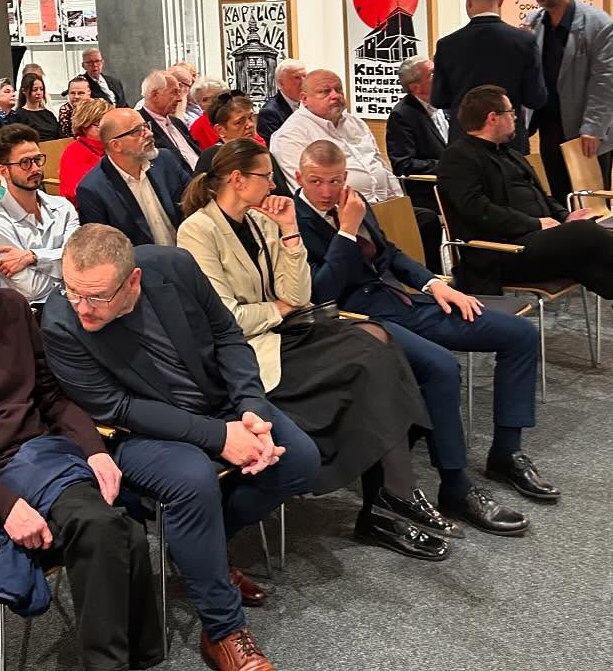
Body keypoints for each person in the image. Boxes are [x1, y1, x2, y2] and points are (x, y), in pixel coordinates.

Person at [44, 225, 320, 671]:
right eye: (72, 290)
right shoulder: (60, 322)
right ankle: (223, 629)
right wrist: (219, 437)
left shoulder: (173, 267)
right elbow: (117, 406)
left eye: (96, 296)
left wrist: (251, 409)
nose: (81, 307)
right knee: (192, 480)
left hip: (220, 403)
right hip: (137, 431)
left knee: (301, 461)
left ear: (133, 280)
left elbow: (227, 336)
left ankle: (200, 549)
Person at [0, 217, 164, 669]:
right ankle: (131, 659)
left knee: (114, 528)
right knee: (114, 528)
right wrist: (5, 506)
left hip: (42, 459)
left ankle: (127, 661)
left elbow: (52, 396)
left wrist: (95, 450)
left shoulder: (11, 307)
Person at [177, 140, 453, 552]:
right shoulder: (198, 230)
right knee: (368, 362)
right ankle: (391, 496)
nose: (274, 185)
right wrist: (278, 308)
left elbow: (299, 294)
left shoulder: (262, 220)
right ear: (237, 179)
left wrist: (289, 230)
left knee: (381, 341)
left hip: (288, 332)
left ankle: (392, 494)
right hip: (247, 353)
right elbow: (228, 319)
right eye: (266, 176)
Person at [293, 139, 541, 532]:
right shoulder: (289, 221)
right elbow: (320, 293)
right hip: (359, 320)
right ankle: (455, 484)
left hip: (403, 302)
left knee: (520, 334)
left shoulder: (352, 200)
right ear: (298, 177)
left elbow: (389, 254)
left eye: (335, 180)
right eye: (316, 181)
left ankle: (506, 453)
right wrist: (346, 232)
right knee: (442, 367)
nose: (326, 190)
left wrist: (433, 284)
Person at [438, 85, 613, 410]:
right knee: (586, 233)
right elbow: (477, 210)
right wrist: (535, 224)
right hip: (502, 254)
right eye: (511, 112)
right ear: (492, 118)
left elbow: (543, 198)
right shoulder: (458, 158)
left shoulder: (511, 154)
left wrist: (563, 217)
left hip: (543, 247)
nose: (516, 118)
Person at [271, 69, 442, 270]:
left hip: (384, 207)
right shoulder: (290, 135)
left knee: (426, 220)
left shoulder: (355, 123)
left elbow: (381, 166)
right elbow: (307, 192)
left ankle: (429, 280)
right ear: (304, 99)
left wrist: (400, 204)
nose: (335, 96)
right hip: (342, 216)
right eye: (325, 92)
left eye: (338, 89)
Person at [525, 0, 613, 202]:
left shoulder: (599, 24)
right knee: (559, 197)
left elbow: (605, 81)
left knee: (591, 199)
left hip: (585, 128)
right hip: (550, 125)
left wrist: (593, 127)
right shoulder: (533, 23)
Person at [430, 0, 546, 147]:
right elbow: (535, 98)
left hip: (464, 142)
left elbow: (439, 100)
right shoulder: (524, 41)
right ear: (500, 0)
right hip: (509, 141)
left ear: (468, 2)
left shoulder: (447, 45)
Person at [0, 124, 79, 305]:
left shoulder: (63, 207)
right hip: (32, 312)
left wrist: (33, 257)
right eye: (25, 162)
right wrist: (63, 264)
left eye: (38, 159)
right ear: (4, 171)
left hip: (76, 300)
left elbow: (79, 260)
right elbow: (32, 289)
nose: (35, 168)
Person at [75, 108, 187, 247]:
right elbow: (104, 247)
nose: (149, 133)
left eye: (146, 126)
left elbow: (193, 202)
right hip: (142, 259)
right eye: (137, 131)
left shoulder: (165, 160)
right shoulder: (92, 190)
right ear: (116, 145)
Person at [385, 56, 448, 212]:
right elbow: (403, 164)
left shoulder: (447, 105)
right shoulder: (402, 115)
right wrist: (446, 165)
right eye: (433, 73)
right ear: (415, 87)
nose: (441, 76)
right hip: (430, 191)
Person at [139, 69, 203, 174]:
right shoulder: (140, 127)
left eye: (179, 92)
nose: (179, 99)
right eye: (174, 92)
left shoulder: (177, 123)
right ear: (155, 95)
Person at [57, 98, 111, 205]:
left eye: (109, 125)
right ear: (84, 125)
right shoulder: (75, 151)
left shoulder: (111, 146)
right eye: (100, 125)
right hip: (85, 207)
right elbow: (75, 192)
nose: (107, 130)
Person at [255, 59, 306, 144]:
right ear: (281, 83)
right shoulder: (269, 112)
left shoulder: (309, 104)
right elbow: (273, 146)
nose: (303, 82)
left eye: (305, 76)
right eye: (297, 78)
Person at [11, 72, 60, 140]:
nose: (39, 93)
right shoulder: (19, 115)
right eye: (35, 89)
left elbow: (60, 136)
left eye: (41, 89)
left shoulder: (49, 114)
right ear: (24, 91)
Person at [186, 76, 229, 149]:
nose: (211, 102)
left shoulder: (236, 115)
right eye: (204, 100)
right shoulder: (198, 127)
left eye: (215, 97)